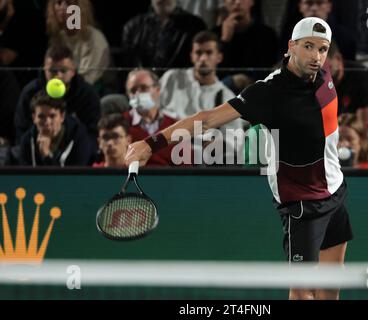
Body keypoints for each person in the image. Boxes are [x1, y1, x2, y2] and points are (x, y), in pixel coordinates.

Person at [125, 17, 353, 300]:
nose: (316, 56)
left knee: (330, 287)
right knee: (302, 291)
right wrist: (151, 143)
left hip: (335, 190)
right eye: (308, 47)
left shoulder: (324, 73)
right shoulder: (268, 93)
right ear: (291, 46)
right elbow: (207, 120)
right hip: (302, 204)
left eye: (322, 49)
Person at [160, 31, 246, 161]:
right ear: (191, 56)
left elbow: (235, 141)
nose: (203, 58)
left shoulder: (226, 97)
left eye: (209, 53)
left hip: (197, 157)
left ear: (219, 57)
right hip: (165, 144)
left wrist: (219, 144)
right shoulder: (172, 78)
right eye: (198, 53)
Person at [14, 43, 101, 146]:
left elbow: (92, 133)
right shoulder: (30, 92)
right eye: (52, 71)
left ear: (73, 71)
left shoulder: (87, 95)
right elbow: (21, 129)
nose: (58, 76)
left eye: (63, 71)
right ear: (44, 69)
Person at [212, 0, 278, 92]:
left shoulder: (266, 34)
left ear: (252, 2)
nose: (237, 2)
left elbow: (267, 68)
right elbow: (214, 71)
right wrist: (225, 40)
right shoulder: (214, 35)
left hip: (258, 89)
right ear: (225, 3)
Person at [121, 0, 206, 70]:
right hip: (144, 86)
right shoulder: (133, 27)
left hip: (182, 85)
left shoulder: (196, 26)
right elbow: (129, 66)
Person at [19, 91, 93, 167]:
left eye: (52, 116)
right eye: (41, 117)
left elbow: (73, 177)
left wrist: (47, 156)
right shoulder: (27, 141)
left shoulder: (79, 139)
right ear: (34, 118)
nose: (47, 122)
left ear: (62, 117)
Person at [46, 0, 110, 86]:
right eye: (59, 3)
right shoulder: (58, 38)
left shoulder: (94, 38)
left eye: (68, 3)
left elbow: (88, 78)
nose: (62, 8)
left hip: (94, 91)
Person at [327, 41, 368, 123]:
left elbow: (367, 124)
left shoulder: (363, 77)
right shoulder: (312, 79)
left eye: (325, 67)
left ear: (338, 58)